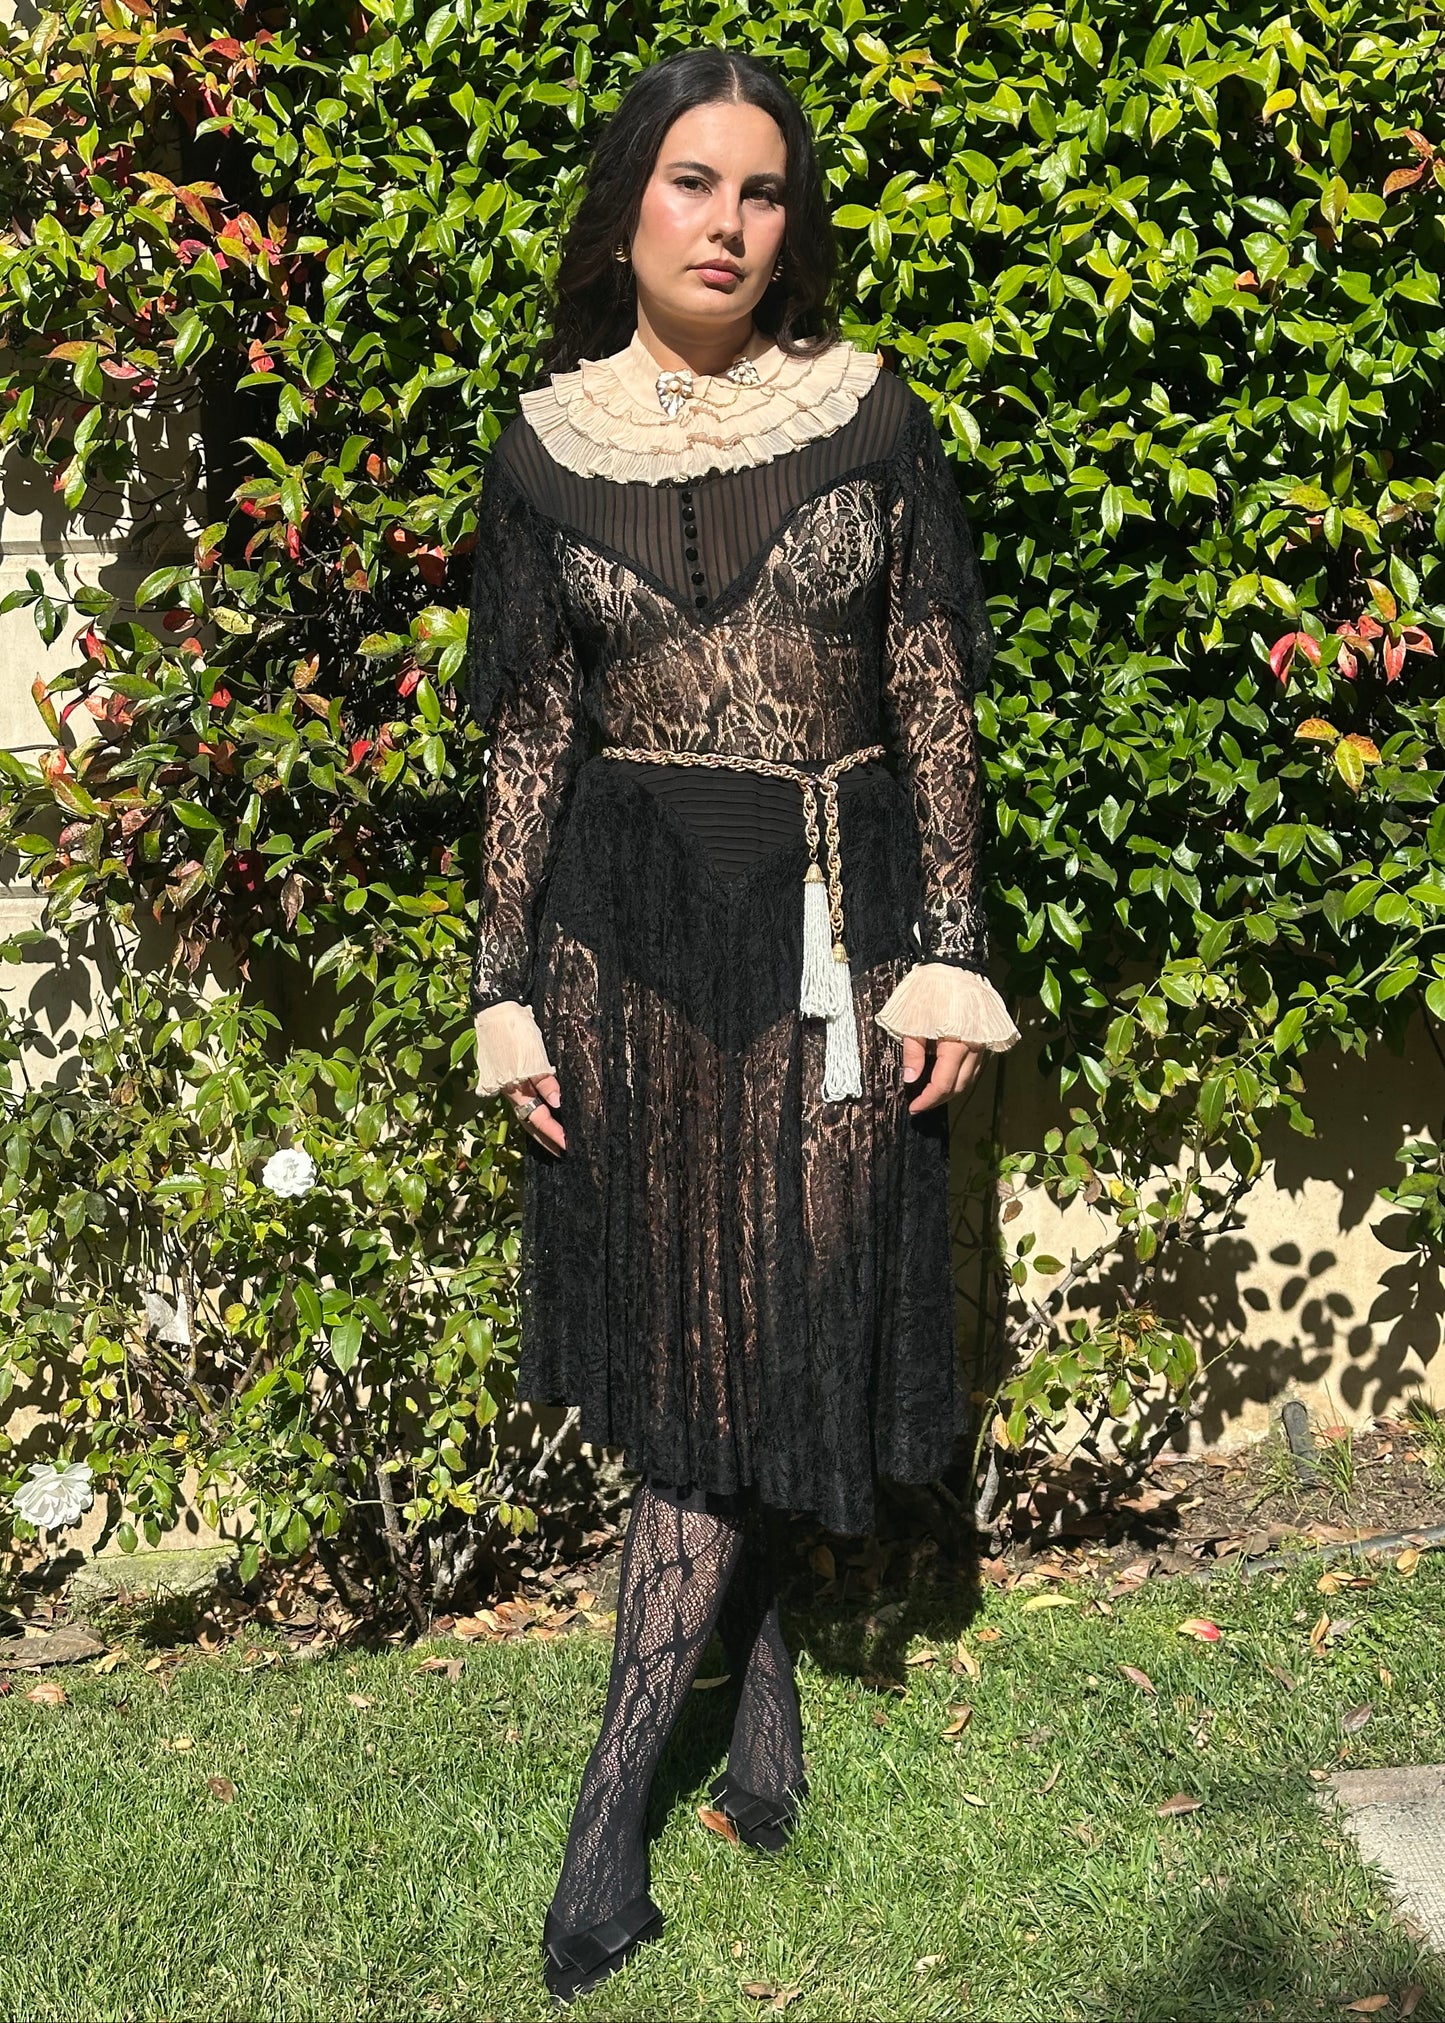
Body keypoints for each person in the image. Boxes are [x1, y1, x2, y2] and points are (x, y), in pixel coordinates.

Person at [463, 45, 1021, 2005]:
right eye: (693, 182)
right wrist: (500, 991)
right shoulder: (542, 450)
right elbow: (532, 728)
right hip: (626, 955)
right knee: (698, 1349)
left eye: (764, 190)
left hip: (835, 925)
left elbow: (933, 678)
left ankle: (614, 1803)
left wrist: (951, 939)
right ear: (628, 206)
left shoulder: (867, 415)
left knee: (785, 1305)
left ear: (795, 225)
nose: (727, 220)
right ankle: (687, 1765)